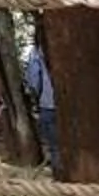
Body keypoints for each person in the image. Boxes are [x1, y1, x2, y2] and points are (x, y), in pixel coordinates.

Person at [20, 25, 59, 172]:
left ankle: (61, 181)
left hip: (48, 105)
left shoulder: (37, 53)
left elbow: (33, 81)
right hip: (72, 106)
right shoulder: (67, 50)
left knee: (55, 148)